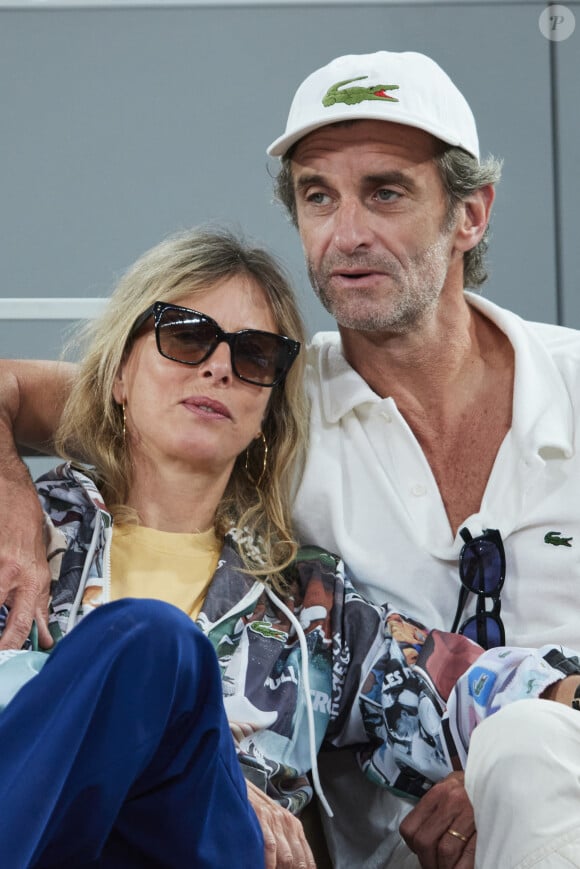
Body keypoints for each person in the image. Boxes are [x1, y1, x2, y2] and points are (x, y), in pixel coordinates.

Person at [2, 50, 580, 868]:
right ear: (117, 374)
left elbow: (478, 685)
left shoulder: (313, 611)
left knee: (162, 651)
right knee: (150, 647)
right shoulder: (31, 544)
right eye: (184, 334)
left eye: (254, 355)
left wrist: (514, 752)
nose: (216, 367)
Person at [265, 49, 580, 868]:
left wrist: (516, 769)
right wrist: (13, 495)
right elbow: (40, 394)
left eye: (386, 192)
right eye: (317, 195)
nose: (346, 232)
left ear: (470, 213)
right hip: (392, 857)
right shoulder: (261, 403)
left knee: (525, 752)